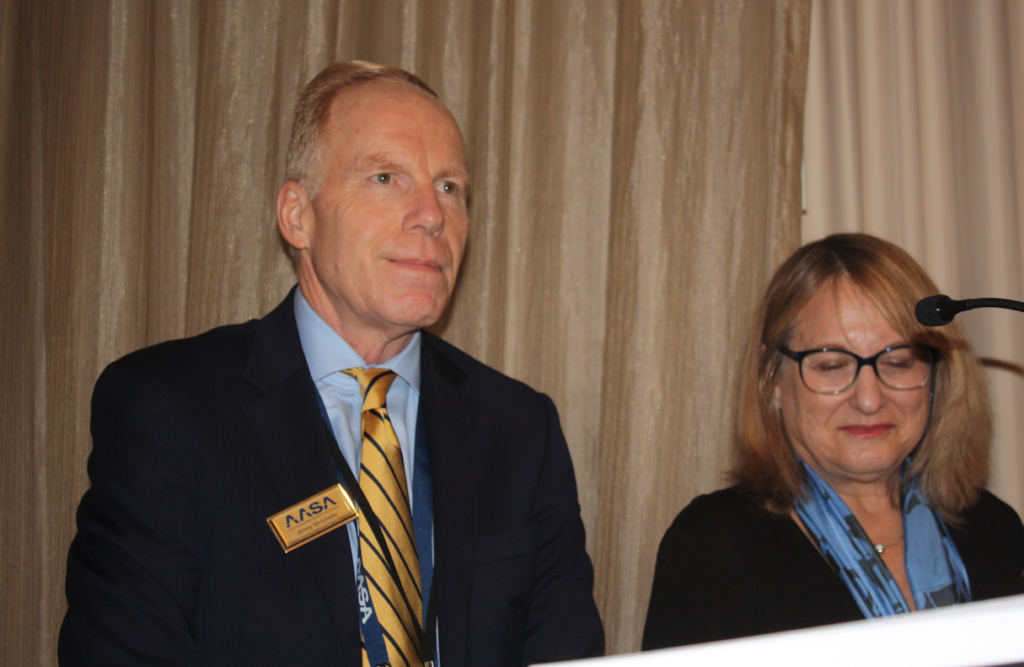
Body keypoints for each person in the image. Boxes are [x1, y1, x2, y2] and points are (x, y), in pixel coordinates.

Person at [59, 61, 603, 667]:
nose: (432, 214)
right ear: (298, 216)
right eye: (385, 177)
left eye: (450, 187)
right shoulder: (169, 409)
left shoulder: (520, 430)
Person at [642, 233, 1024, 650]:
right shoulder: (713, 546)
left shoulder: (996, 530)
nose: (869, 399)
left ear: (935, 377)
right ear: (772, 377)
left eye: (897, 362)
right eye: (831, 365)